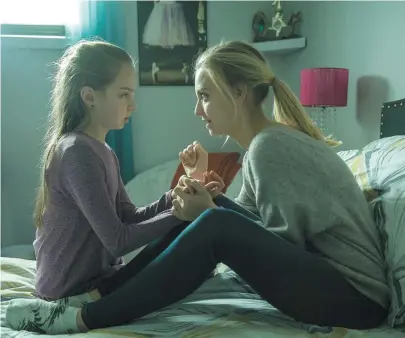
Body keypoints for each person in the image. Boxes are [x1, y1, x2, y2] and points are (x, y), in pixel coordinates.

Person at [6, 40, 389, 334]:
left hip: (355, 299)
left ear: (238, 93)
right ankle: (97, 296)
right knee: (212, 209)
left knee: (212, 219)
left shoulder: (272, 146)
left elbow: (276, 245)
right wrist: (203, 202)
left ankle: (84, 318)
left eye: (205, 96)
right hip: (333, 286)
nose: (197, 109)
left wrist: (207, 214)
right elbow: (254, 230)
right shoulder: (265, 145)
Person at [25, 39, 216, 310]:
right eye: (124, 94)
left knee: (182, 237)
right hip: (69, 292)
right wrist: (180, 213)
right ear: (89, 96)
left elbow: (129, 217)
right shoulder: (76, 152)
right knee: (181, 237)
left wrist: (175, 196)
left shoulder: (103, 151)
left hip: (96, 281)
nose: (133, 105)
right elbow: (117, 241)